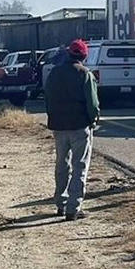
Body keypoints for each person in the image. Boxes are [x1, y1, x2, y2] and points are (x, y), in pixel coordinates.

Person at [44, 39, 100, 221]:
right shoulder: (85, 74)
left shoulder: (54, 73)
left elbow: (47, 97)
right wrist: (93, 120)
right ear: (84, 56)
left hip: (59, 127)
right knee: (79, 166)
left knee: (61, 165)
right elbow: (92, 103)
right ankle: (73, 208)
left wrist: (52, 116)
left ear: (68, 53)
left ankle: (60, 204)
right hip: (79, 126)